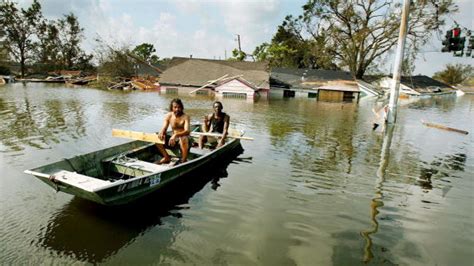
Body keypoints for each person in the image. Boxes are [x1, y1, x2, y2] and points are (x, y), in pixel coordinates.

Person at [156, 98, 190, 164]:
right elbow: (164, 127)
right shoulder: (169, 115)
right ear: (172, 108)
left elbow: (187, 131)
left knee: (183, 138)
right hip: (173, 139)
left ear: (181, 107)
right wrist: (162, 132)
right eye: (175, 107)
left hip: (184, 139)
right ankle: (166, 157)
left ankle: (183, 160)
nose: (177, 109)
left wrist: (176, 135)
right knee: (157, 137)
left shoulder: (185, 117)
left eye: (179, 107)